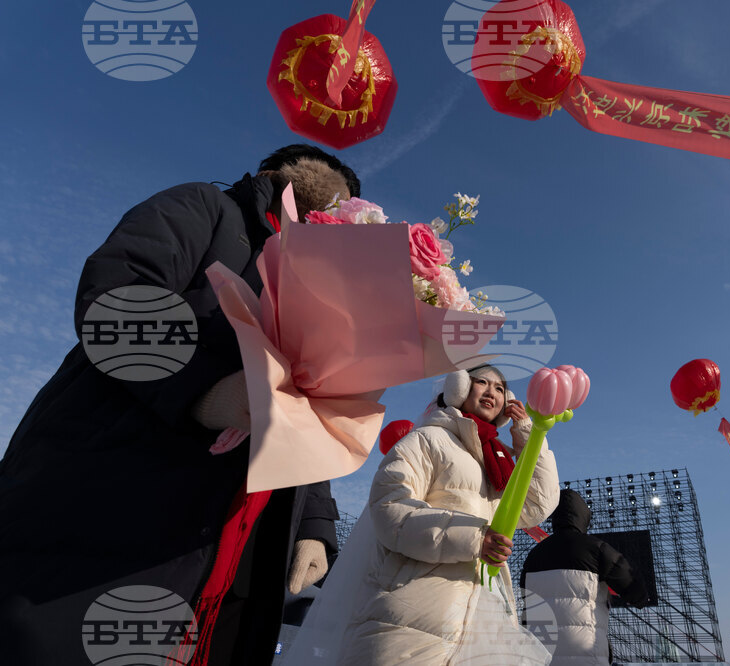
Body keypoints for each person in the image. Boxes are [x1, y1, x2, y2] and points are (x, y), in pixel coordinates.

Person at [0, 145, 360, 666]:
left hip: (239, 544)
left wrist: (314, 525)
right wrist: (206, 388)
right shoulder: (209, 210)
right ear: (277, 177)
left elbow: (312, 410)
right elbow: (117, 293)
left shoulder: (328, 294)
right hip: (116, 499)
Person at [285, 365, 560, 665]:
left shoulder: (499, 462)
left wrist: (529, 438)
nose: (492, 392)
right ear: (459, 388)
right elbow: (390, 506)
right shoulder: (429, 439)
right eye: (482, 382)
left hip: (481, 622)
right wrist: (474, 538)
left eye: (499, 388)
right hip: (411, 615)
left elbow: (537, 504)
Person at [519, 488, 648, 665]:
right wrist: (640, 599)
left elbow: (526, 605)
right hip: (587, 653)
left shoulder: (533, 556)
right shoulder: (596, 548)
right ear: (583, 516)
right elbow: (632, 585)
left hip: (541, 655)